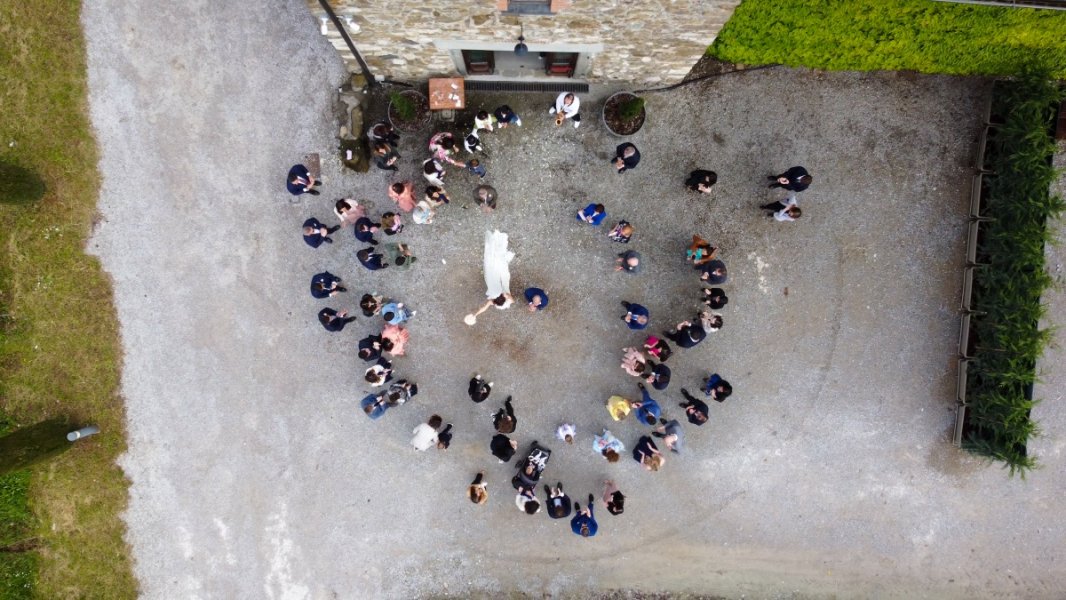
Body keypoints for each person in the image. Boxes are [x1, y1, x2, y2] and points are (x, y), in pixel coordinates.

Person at [465, 230, 514, 325]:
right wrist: (475, 315)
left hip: (504, 294)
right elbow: (485, 307)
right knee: (500, 274)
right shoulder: (501, 298)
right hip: (504, 295)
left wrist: (476, 315)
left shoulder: (499, 299)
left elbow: (484, 308)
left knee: (501, 274)